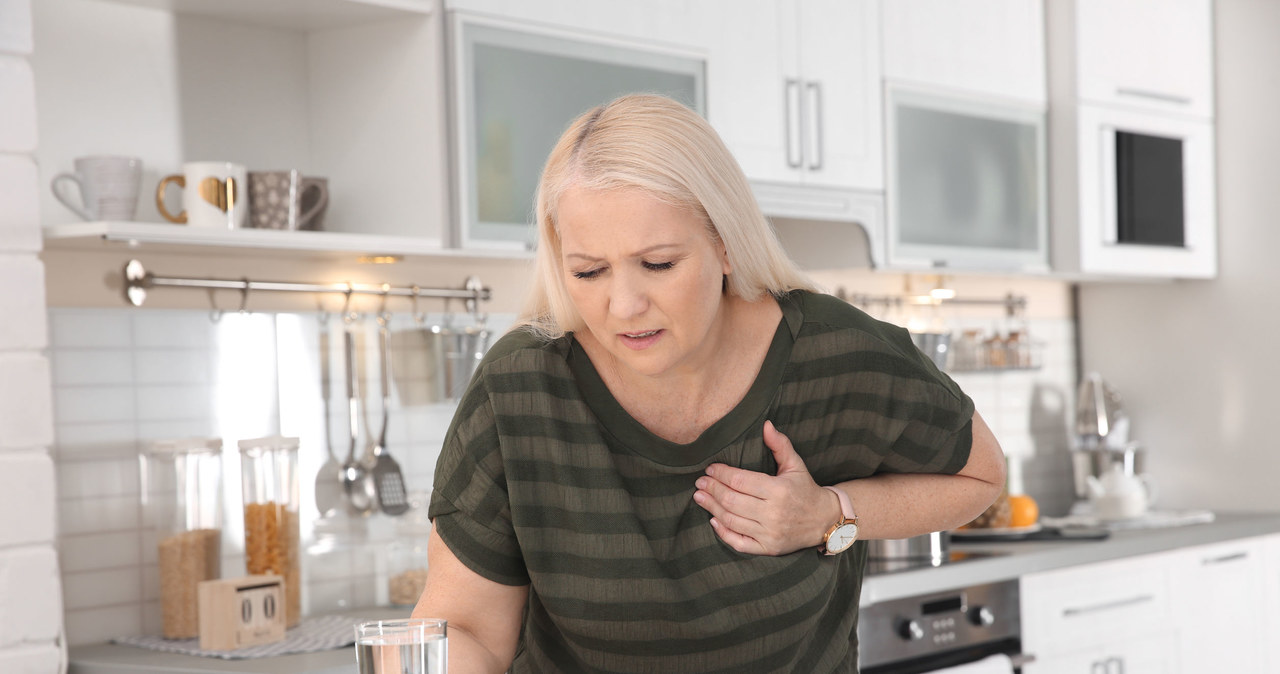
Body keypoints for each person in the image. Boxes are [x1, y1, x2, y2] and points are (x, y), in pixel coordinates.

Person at [412, 93, 1006, 672]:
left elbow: (981, 476)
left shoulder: (839, 354)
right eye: (588, 271)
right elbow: (463, 627)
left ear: (725, 244)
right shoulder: (521, 387)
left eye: (658, 264)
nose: (623, 305)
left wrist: (831, 514)